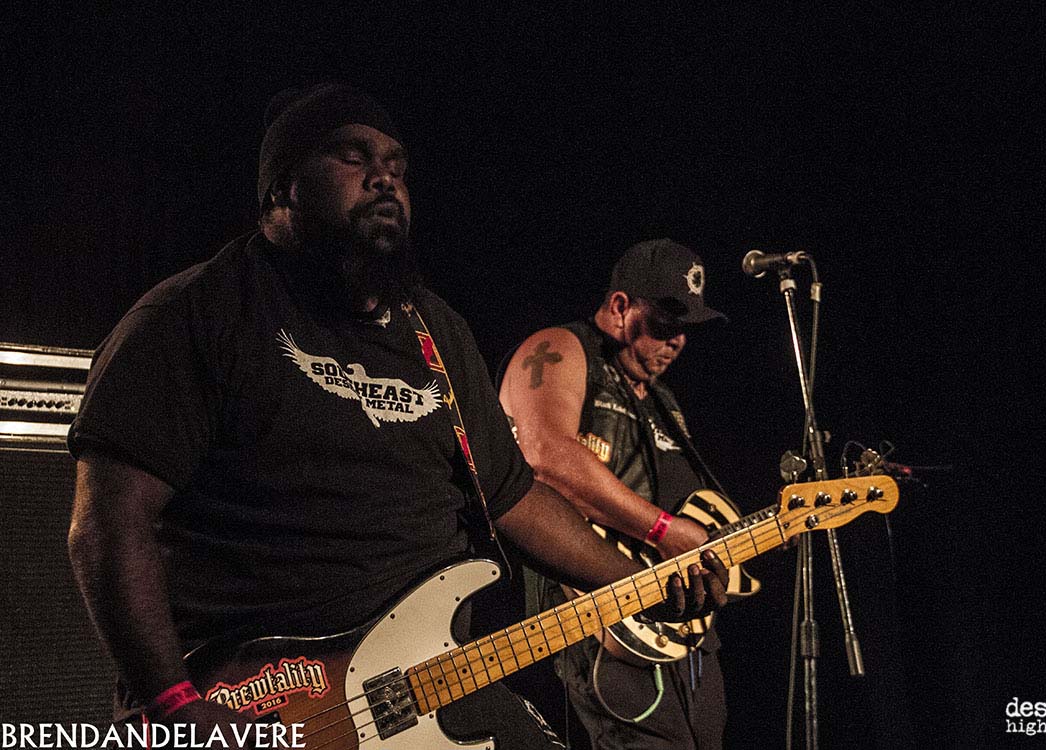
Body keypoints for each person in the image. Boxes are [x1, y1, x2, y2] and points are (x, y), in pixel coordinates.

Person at [66, 84, 728, 749]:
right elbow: (108, 524)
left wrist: (638, 581)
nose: (384, 177)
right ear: (281, 188)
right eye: (352, 157)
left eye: (396, 165)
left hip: (425, 678)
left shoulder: (435, 331)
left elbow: (515, 499)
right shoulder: (195, 315)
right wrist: (173, 704)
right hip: (269, 695)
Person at [499, 239, 732, 749]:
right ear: (621, 305)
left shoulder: (664, 401)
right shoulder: (563, 347)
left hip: (682, 629)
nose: (677, 341)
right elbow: (545, 457)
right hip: (598, 612)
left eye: (686, 329)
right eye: (666, 324)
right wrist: (663, 530)